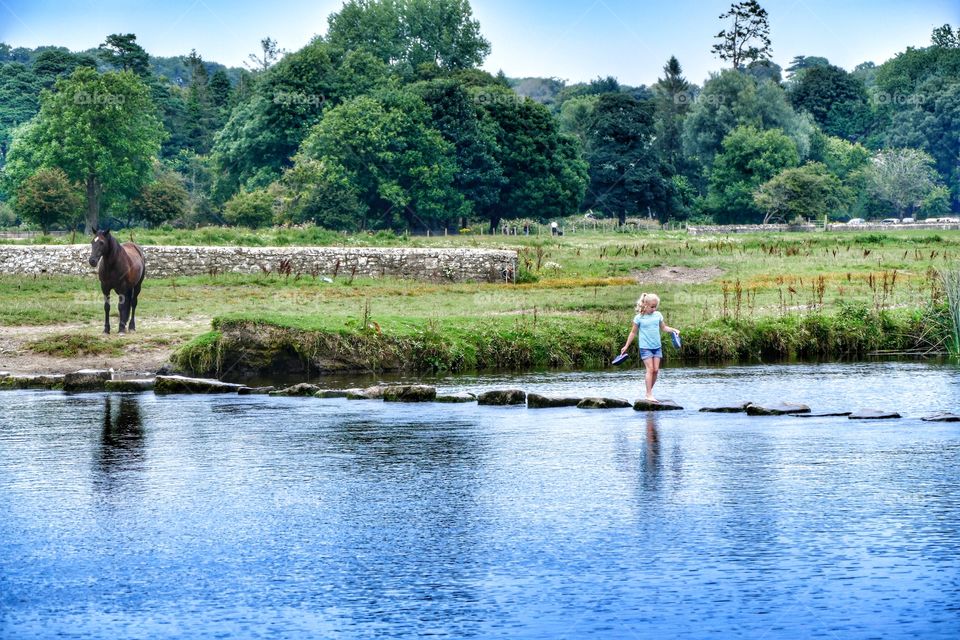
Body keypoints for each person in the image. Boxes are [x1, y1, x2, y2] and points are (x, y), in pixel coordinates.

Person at [620, 293, 680, 402]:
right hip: (645, 347)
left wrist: (674, 330)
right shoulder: (639, 318)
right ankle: (649, 394)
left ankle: (648, 393)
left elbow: (664, 328)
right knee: (650, 369)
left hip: (657, 347)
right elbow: (633, 332)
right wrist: (626, 346)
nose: (654, 309)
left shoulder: (658, 315)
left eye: (655, 306)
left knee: (656, 370)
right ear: (645, 305)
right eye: (652, 306)